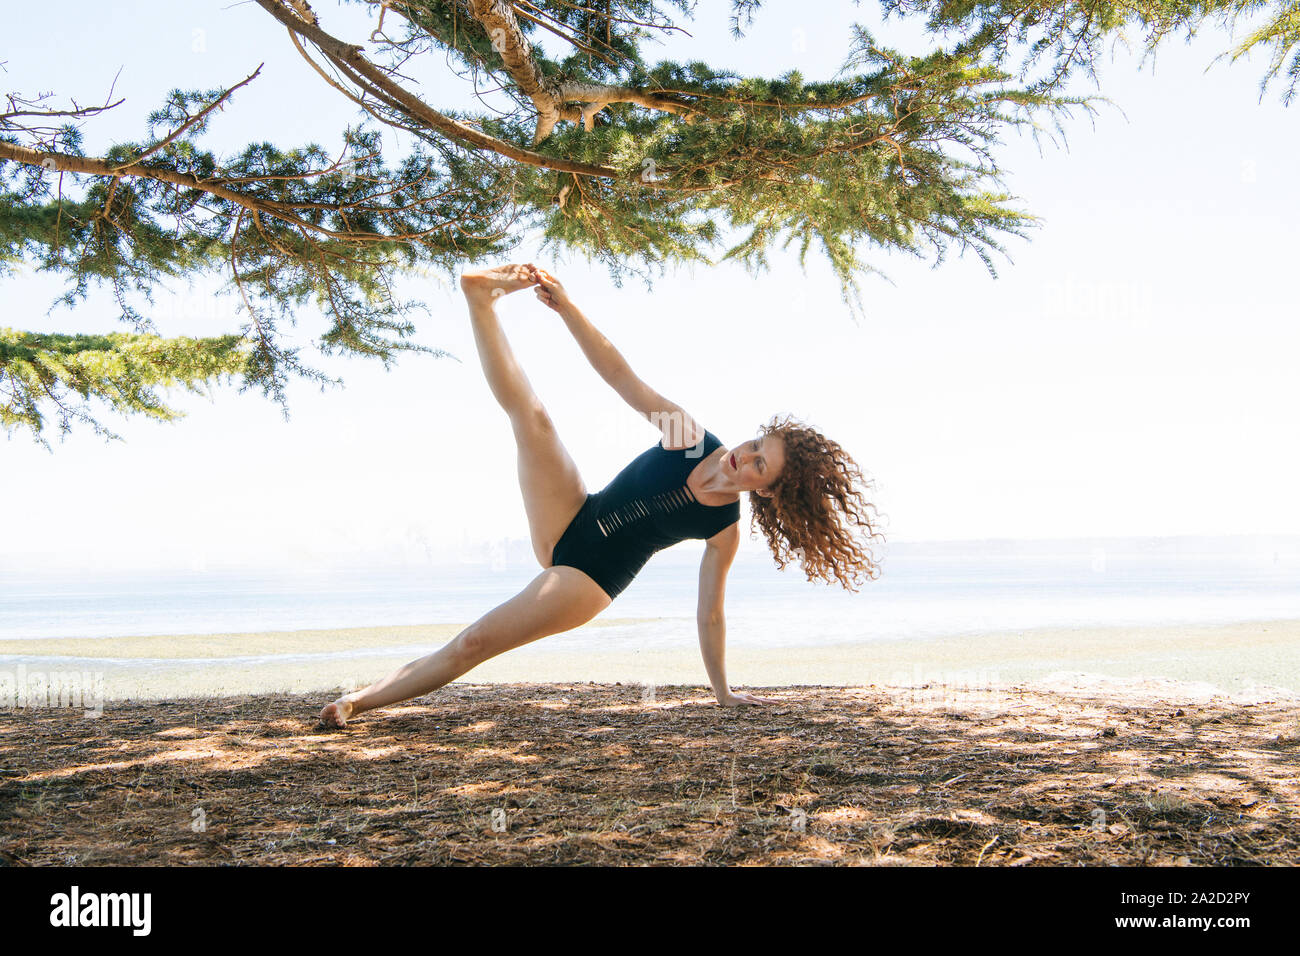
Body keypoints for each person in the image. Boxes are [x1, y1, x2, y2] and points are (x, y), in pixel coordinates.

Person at [320, 263, 883, 727]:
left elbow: (710, 615)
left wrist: (723, 694)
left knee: (476, 642)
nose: (746, 455)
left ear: (769, 491)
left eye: (761, 464)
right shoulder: (690, 438)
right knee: (534, 419)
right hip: (573, 515)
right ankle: (482, 300)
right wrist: (566, 307)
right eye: (756, 442)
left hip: (588, 581)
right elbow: (619, 374)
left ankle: (357, 701)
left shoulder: (724, 530)